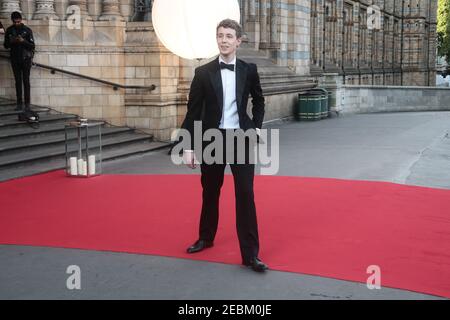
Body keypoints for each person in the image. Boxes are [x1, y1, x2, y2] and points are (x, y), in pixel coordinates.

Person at [180, 19, 267, 272]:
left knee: (245, 194)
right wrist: (188, 146)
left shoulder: (249, 70)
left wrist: (257, 127)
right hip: (212, 139)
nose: (224, 40)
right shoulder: (203, 73)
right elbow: (193, 112)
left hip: (241, 138)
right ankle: (205, 237)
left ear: (238, 40)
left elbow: (259, 101)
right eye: (220, 35)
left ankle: (251, 255)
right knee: (210, 191)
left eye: (229, 36)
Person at [3, 11, 35, 111]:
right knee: (18, 81)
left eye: (18, 21)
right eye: (15, 21)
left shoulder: (27, 30)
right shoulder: (9, 30)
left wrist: (23, 41)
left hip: (26, 59)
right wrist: (12, 41)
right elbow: (6, 45)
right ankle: (19, 103)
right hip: (15, 59)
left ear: (21, 20)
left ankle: (27, 104)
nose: (17, 23)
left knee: (26, 81)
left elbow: (32, 46)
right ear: (12, 21)